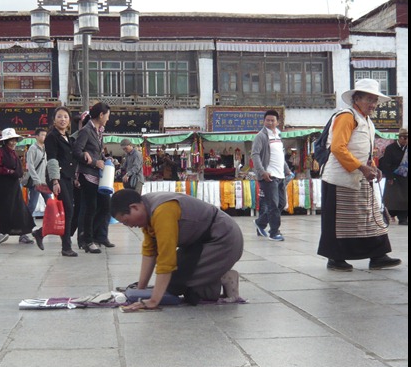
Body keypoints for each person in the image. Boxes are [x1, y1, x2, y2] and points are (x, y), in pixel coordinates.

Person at [110, 189, 243, 311]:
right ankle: (213, 277)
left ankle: (223, 277)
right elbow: (150, 252)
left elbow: (166, 260)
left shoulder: (162, 211)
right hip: (200, 242)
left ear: (134, 207)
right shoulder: (146, 208)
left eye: (127, 221)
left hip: (224, 239)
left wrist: (154, 301)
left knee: (175, 285)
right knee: (173, 281)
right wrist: (140, 290)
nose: (130, 226)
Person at [317, 78, 401, 271]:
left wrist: (372, 166)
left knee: (369, 217)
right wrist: (361, 168)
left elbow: (364, 150)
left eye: (375, 101)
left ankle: (378, 254)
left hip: (360, 176)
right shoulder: (347, 117)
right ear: (357, 99)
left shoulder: (366, 121)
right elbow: (338, 148)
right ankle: (335, 258)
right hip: (340, 178)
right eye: (369, 100)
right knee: (339, 221)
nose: (373, 105)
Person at [34, 106, 79, 257]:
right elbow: (52, 159)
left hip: (68, 177)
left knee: (68, 211)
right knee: (68, 210)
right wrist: (54, 181)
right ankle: (66, 246)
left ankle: (40, 233)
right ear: (54, 120)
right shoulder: (52, 137)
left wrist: (76, 177)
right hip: (57, 177)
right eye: (59, 116)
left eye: (65, 117)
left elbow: (72, 160)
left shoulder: (68, 137)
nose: (63, 119)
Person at [72, 102, 114, 253]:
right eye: (107, 116)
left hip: (97, 175)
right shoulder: (86, 130)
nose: (108, 119)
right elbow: (76, 151)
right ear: (101, 115)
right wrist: (94, 161)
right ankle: (88, 241)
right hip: (87, 174)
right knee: (90, 208)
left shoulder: (99, 131)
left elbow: (97, 152)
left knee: (105, 206)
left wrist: (105, 159)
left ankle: (95, 236)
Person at [251, 109, 293, 241]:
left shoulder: (278, 136)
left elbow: (280, 157)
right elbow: (255, 155)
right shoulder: (261, 136)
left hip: (280, 176)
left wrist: (287, 171)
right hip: (269, 177)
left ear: (277, 122)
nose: (269, 122)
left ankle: (260, 223)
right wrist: (262, 172)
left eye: (272, 120)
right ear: (264, 121)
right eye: (267, 120)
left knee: (281, 204)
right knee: (273, 205)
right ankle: (274, 232)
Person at [0, 128, 36, 244]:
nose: (13, 142)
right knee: (1, 211)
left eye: (15, 140)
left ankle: (23, 234)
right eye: (11, 140)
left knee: (20, 209)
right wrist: (9, 172)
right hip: (2, 187)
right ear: (5, 141)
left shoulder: (13, 153)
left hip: (13, 186)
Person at [379, 128, 408, 225]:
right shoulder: (390, 148)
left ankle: (403, 218)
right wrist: (390, 177)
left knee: (405, 199)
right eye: (405, 138)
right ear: (400, 138)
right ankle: (387, 216)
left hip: (405, 178)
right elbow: (386, 164)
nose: (406, 140)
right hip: (394, 177)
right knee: (392, 199)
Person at [26, 127, 51, 218]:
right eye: (42, 135)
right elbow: (30, 166)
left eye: (45, 135)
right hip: (36, 182)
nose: (44, 137)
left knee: (50, 204)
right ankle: (25, 224)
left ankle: (49, 225)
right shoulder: (33, 148)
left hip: (45, 182)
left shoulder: (46, 148)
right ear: (36, 136)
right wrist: (36, 179)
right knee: (32, 204)